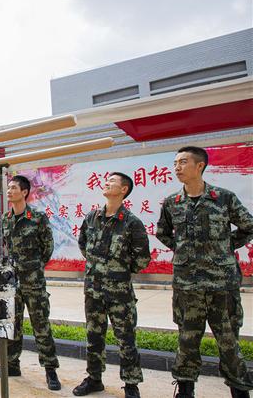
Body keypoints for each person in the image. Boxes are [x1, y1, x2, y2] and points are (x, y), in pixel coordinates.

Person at [156, 146, 253, 398]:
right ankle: (185, 390)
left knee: (229, 342)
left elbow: (248, 226)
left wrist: (224, 246)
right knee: (187, 341)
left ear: (199, 166)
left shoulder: (223, 198)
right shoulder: (171, 203)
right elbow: (163, 232)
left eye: (183, 162)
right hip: (187, 286)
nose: (177, 167)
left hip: (222, 285)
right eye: (175, 162)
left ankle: (240, 391)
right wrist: (183, 249)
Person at [73, 172, 150, 398]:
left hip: (120, 293)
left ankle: (131, 384)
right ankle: (94, 379)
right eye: (106, 181)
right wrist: (98, 266)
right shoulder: (92, 217)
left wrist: (119, 271)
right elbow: (83, 243)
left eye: (112, 181)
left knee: (126, 339)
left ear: (123, 189)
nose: (107, 183)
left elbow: (142, 258)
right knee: (94, 336)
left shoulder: (132, 222)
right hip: (93, 290)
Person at [0, 175, 61, 391]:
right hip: (12, 284)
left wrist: (34, 267)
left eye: (13, 188)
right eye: (8, 188)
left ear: (25, 192)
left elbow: (47, 247)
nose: (9, 191)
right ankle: (12, 365)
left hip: (34, 283)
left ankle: (50, 370)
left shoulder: (37, 217)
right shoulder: (5, 219)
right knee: (13, 324)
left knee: (41, 327)